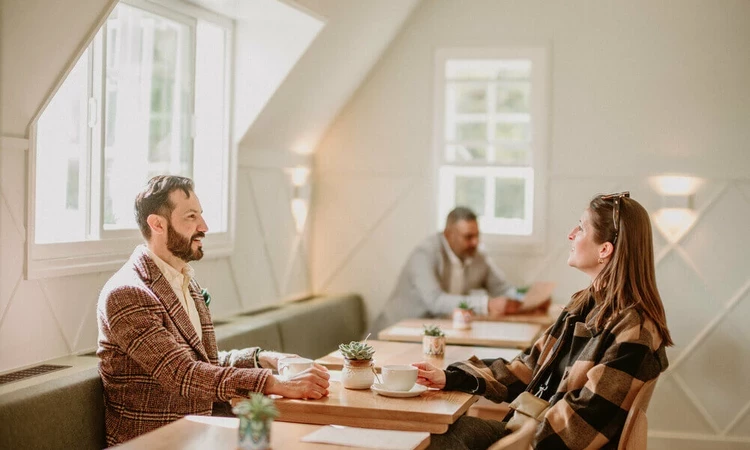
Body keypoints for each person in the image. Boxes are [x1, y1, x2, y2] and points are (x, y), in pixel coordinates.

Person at [413, 192, 672, 449]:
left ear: (604, 249)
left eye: (581, 228)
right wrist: (452, 377)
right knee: (441, 433)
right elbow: (528, 367)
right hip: (534, 433)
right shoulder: (584, 304)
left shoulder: (632, 329)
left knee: (437, 440)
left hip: (543, 442)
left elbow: (583, 424)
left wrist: (517, 442)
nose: (571, 234)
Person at [97, 175, 330, 446]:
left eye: (201, 215)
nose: (203, 226)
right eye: (191, 217)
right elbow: (182, 373)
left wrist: (265, 359)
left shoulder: (184, 279)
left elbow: (202, 362)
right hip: (156, 442)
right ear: (157, 224)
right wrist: (277, 383)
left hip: (203, 432)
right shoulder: (128, 293)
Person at [371, 206, 543, 333]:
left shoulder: (478, 256)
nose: (475, 242)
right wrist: (487, 304)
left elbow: (503, 288)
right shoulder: (424, 254)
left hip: (439, 333)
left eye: (477, 235)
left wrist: (529, 299)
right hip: (395, 332)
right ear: (448, 234)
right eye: (468, 237)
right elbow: (435, 301)